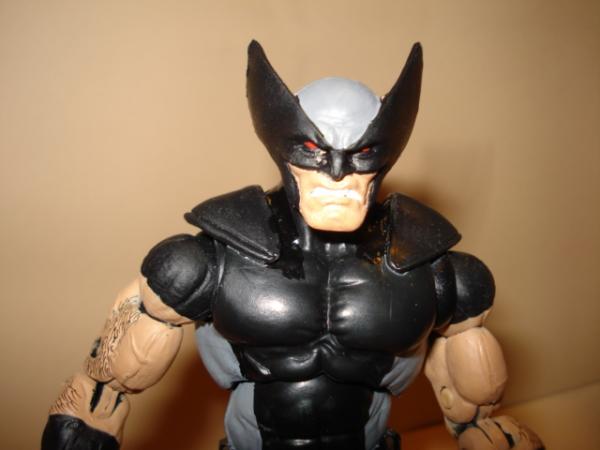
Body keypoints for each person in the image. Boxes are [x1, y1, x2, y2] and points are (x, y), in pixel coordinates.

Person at [42, 41, 543, 450]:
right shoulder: (211, 258)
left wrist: (480, 427)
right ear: (282, 146)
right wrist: (86, 419)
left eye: (362, 152)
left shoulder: (433, 267)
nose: (338, 172)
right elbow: (110, 379)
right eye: (314, 150)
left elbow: (471, 384)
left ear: (387, 152)